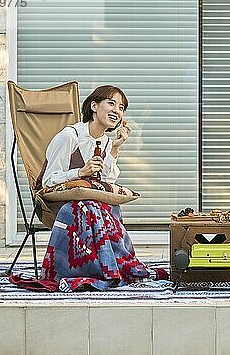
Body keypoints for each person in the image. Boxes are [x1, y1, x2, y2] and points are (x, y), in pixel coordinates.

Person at [25, 85, 162, 292]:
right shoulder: (69, 136)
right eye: (112, 103)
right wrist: (79, 172)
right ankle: (99, 269)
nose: (117, 110)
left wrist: (115, 148)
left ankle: (107, 268)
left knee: (104, 205)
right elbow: (48, 181)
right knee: (89, 207)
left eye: (122, 107)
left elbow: (106, 182)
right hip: (56, 203)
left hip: (87, 200)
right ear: (94, 106)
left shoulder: (106, 142)